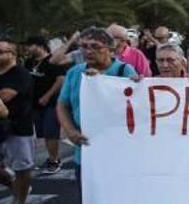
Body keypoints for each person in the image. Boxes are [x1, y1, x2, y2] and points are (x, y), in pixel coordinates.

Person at [56, 27, 138, 187]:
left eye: (95, 47)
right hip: (85, 150)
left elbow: (136, 105)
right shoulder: (75, 72)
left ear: (110, 49)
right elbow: (62, 104)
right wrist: (71, 131)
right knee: (89, 201)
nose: (89, 51)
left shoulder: (124, 71)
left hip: (117, 150)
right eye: (84, 46)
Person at [0, 39, 35, 204]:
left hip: (18, 127)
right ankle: (17, 186)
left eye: (0, 51)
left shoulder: (20, 74)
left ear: (12, 54)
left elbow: (5, 96)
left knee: (22, 167)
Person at [22, 36, 67, 174]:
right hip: (33, 104)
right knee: (40, 133)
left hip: (51, 103)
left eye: (29, 45)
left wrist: (47, 96)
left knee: (50, 132)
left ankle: (54, 160)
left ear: (39, 46)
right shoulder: (29, 62)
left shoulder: (54, 60)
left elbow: (60, 80)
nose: (27, 48)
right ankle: (48, 158)